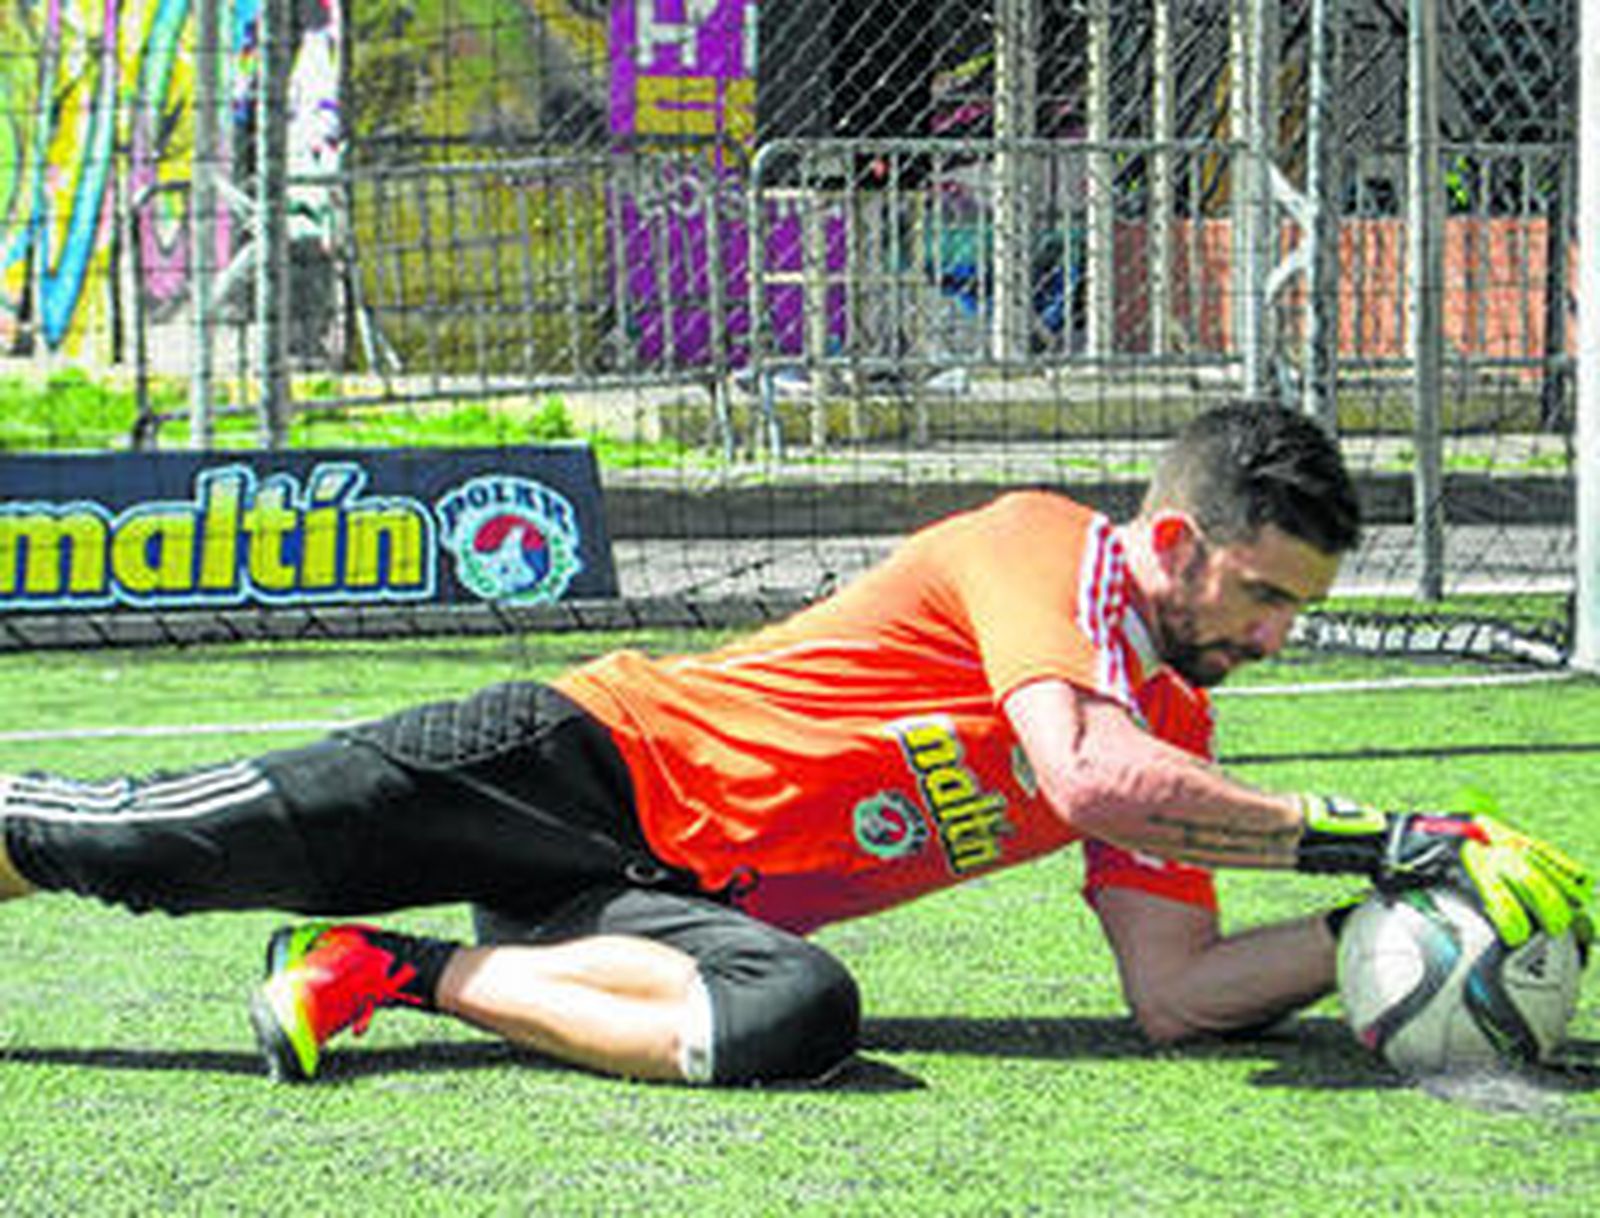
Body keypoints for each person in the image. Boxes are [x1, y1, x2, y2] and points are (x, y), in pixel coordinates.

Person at [0, 404, 1590, 1087]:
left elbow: (1174, 996)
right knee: (145, 843)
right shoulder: (1045, 546)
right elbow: (1080, 776)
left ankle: (374, 966)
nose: (1273, 635)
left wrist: (1372, 926)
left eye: (1297, 611)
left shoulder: (1177, 724)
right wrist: (1383, 834)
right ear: (1176, 539)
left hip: (658, 910)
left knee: (800, 1014)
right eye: (1262, 593)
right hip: (575, 759)